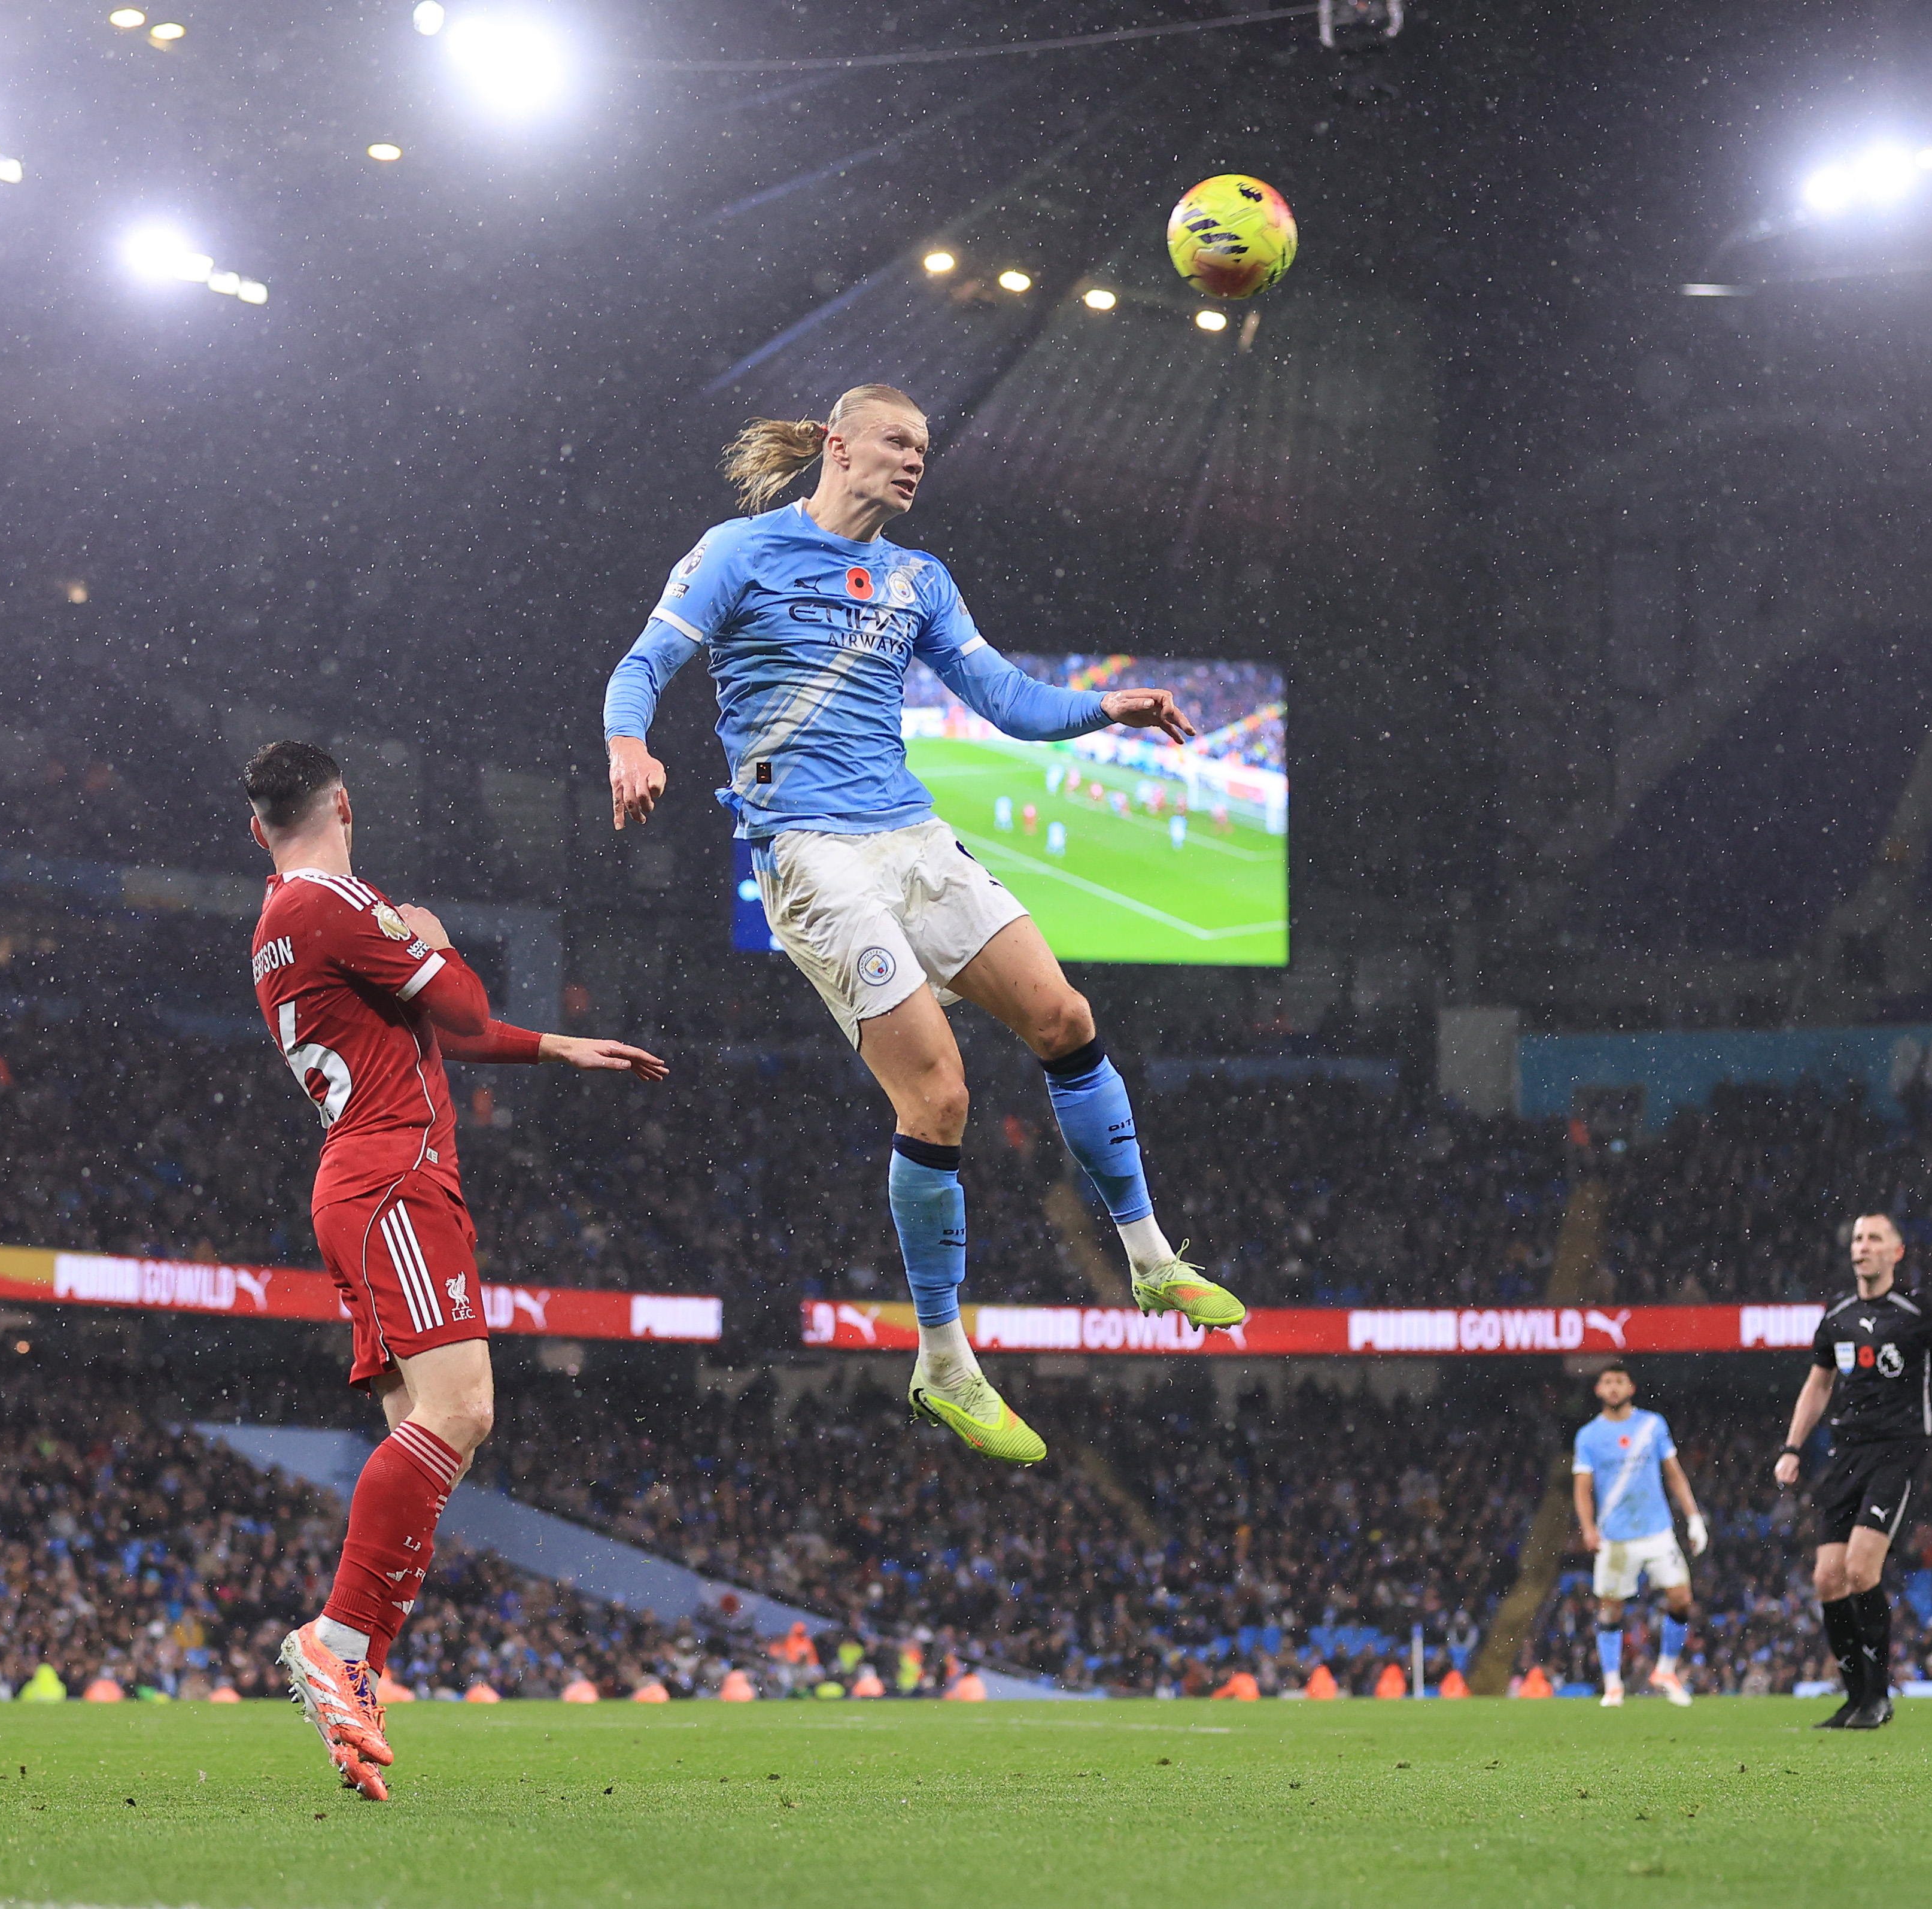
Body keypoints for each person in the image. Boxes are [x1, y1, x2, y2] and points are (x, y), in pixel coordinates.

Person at [600, 383, 1244, 1465]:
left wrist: (1105, 706)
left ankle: (1146, 1254)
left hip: (908, 834)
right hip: (808, 851)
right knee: (937, 1091)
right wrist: (629, 743)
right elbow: (642, 665)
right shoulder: (738, 550)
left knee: (1062, 1013)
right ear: (836, 446)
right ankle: (944, 1362)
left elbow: (1005, 700)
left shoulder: (918, 579)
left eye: (923, 449)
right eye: (895, 443)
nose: (913, 462)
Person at [241, 740, 666, 1800]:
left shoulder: (280, 916)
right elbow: (462, 1001)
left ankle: (353, 1675)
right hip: (394, 1179)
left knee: (425, 1434)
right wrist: (434, 934)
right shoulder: (338, 901)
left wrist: (559, 1046)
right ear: (343, 801)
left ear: (259, 825)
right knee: (462, 1408)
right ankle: (336, 1639)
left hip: (361, 1177)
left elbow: (442, 1035)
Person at [1772, 1212, 1932, 1731]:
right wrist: (1793, 1446)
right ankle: (1855, 1697)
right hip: (1846, 1454)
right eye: (1858, 1238)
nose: (1862, 1246)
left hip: (1898, 1450)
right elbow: (1817, 1385)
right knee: (1826, 1579)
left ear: (1897, 1251)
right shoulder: (1837, 1314)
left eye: (1874, 1238)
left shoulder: (1923, 1311)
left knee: (1862, 1571)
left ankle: (1879, 1696)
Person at [1570, 1359, 1707, 1710]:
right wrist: (1588, 1529)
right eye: (1607, 1382)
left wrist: (1693, 1517)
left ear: (1631, 1388)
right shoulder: (1588, 1436)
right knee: (1611, 1608)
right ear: (1599, 1390)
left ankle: (1665, 1671)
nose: (1613, 1387)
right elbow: (1582, 1488)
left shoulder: (1652, 1425)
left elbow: (1674, 1474)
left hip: (1657, 1531)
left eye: (1620, 1381)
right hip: (1616, 1536)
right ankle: (1613, 1685)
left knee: (1681, 1597)